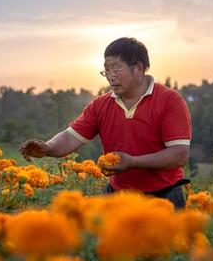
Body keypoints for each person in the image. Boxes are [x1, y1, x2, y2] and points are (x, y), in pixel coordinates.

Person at [19, 37, 192, 208]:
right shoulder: (100, 105)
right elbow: (71, 137)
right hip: (117, 195)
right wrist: (48, 148)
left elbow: (179, 154)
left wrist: (133, 162)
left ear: (138, 68)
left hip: (164, 196)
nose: (110, 77)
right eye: (106, 71)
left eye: (116, 70)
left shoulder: (170, 100)